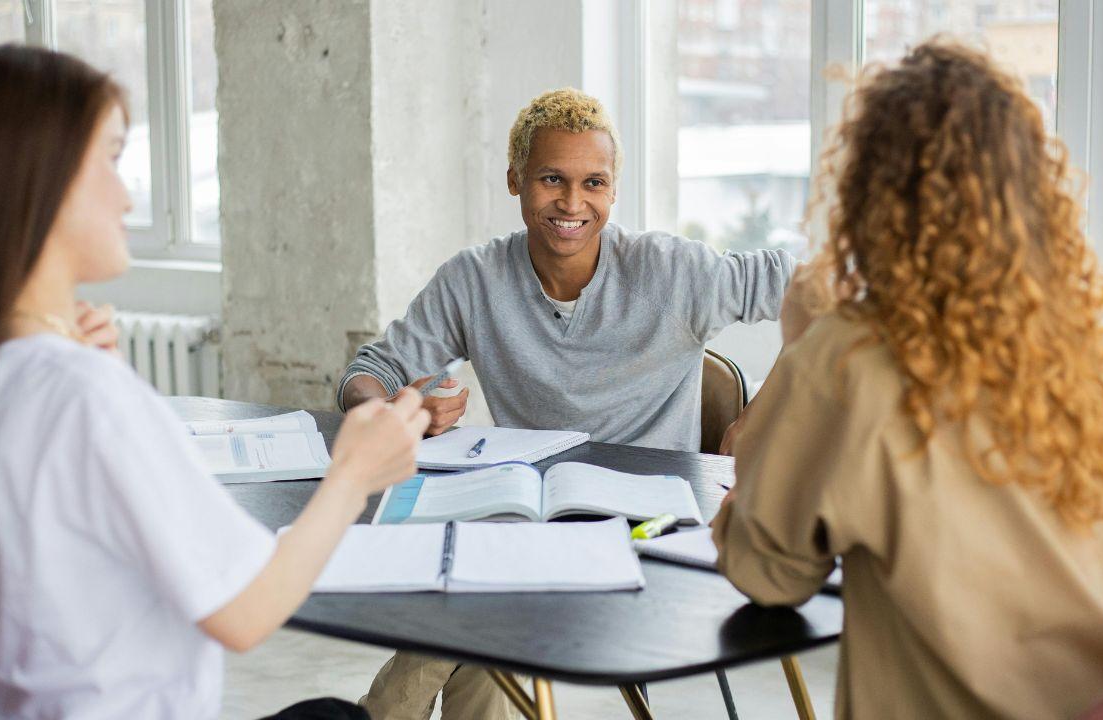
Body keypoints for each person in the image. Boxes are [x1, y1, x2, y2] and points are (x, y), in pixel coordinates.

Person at [0, 46, 429, 720]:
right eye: (111, 159)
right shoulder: (85, 397)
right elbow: (245, 611)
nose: (128, 194)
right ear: (36, 183)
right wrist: (353, 476)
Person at [711, 40, 1103, 719]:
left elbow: (765, 569)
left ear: (872, 193)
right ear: (1029, 196)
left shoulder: (852, 357)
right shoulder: (1093, 361)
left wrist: (799, 346)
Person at [339, 88, 798, 719]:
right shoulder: (475, 280)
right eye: (552, 179)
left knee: (465, 598)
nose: (572, 202)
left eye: (594, 182)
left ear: (613, 190)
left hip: (654, 531)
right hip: (532, 522)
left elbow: (826, 293)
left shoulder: (672, 272)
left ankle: (374, 714)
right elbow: (368, 371)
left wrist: (763, 417)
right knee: (478, 628)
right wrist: (391, 406)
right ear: (515, 181)